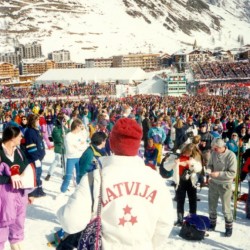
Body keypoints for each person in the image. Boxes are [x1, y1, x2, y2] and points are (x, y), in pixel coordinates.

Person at [57, 117, 174, 249]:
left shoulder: (94, 178)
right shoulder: (155, 179)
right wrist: (150, 245)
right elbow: (166, 222)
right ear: (137, 145)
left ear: (111, 143)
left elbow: (70, 222)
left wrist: (61, 210)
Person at [0, 126, 31, 250]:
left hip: (19, 194)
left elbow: (25, 168)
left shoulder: (18, 151)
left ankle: (16, 244)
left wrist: (31, 192)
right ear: (12, 138)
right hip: (4, 196)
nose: (21, 138)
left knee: (18, 222)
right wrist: (9, 179)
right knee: (3, 222)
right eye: (19, 136)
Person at [207, 138, 237, 237]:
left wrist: (219, 174)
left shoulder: (231, 155)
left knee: (226, 208)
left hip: (225, 184)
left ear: (221, 147)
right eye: (213, 149)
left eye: (216, 149)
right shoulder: (214, 153)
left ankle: (229, 227)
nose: (214, 150)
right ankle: (212, 224)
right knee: (212, 206)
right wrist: (209, 170)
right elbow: (210, 164)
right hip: (213, 183)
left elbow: (232, 173)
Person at [169, 143, 202, 226]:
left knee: (192, 201)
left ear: (192, 153)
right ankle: (179, 220)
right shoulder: (178, 155)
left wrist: (191, 163)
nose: (186, 154)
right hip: (180, 180)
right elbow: (167, 166)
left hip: (191, 181)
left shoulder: (195, 158)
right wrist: (175, 162)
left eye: (188, 153)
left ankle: (192, 218)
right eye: (186, 152)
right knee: (180, 201)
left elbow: (199, 169)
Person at [60, 118, 88, 193]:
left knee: (80, 175)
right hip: (71, 158)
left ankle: (79, 190)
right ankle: (62, 191)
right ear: (76, 126)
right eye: (80, 127)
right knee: (68, 176)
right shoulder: (68, 136)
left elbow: (85, 145)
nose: (81, 128)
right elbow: (70, 150)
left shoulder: (79, 135)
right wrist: (79, 146)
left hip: (79, 157)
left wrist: (77, 146)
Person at [24, 114, 46, 198]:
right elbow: (31, 146)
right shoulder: (30, 132)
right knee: (35, 174)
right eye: (37, 120)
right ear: (33, 121)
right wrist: (36, 158)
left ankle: (39, 189)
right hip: (33, 158)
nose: (38, 122)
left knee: (39, 173)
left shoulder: (36, 130)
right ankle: (34, 191)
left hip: (39, 157)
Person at [45, 114, 68, 181]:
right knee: (56, 160)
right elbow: (57, 137)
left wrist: (66, 136)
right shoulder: (56, 128)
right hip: (59, 146)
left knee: (64, 161)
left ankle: (64, 174)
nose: (64, 122)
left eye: (65, 121)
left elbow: (68, 133)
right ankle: (49, 174)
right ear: (60, 121)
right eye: (63, 121)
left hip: (64, 146)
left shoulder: (65, 128)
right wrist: (62, 137)